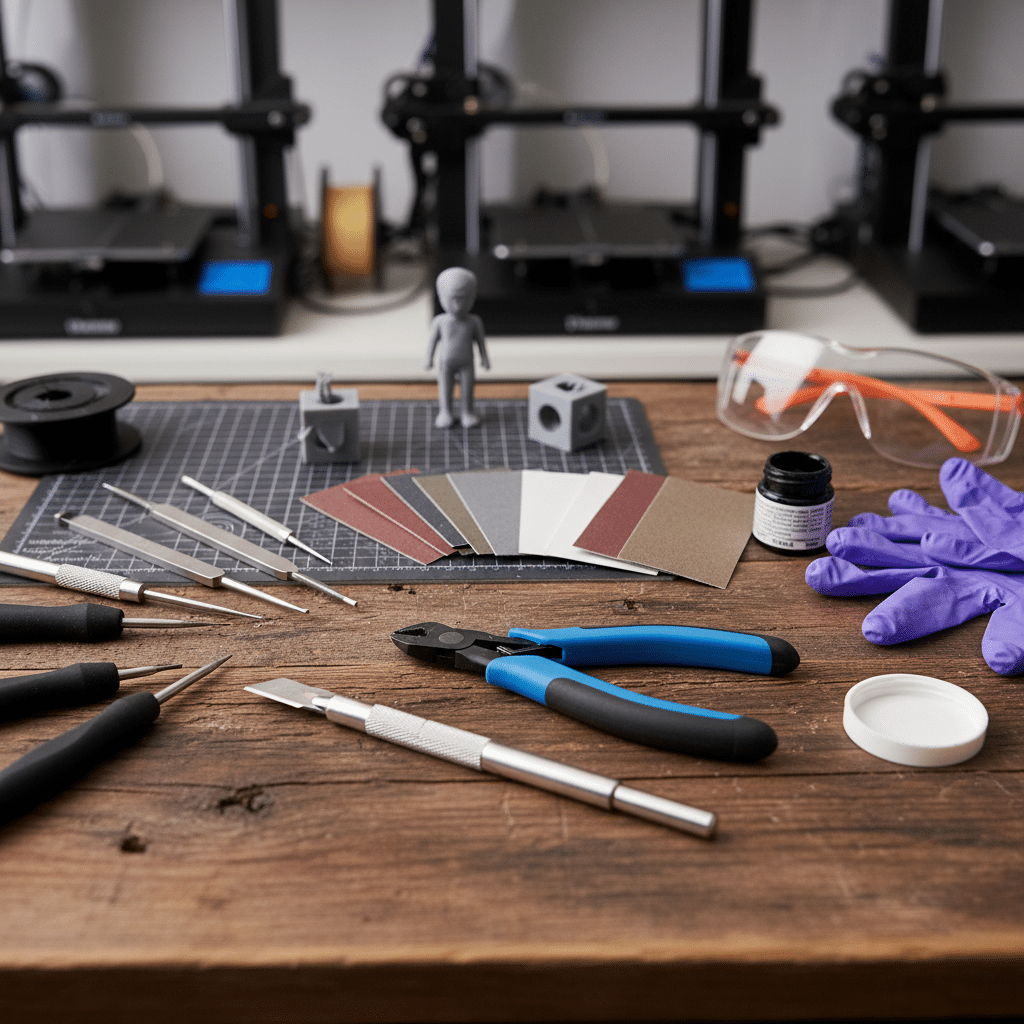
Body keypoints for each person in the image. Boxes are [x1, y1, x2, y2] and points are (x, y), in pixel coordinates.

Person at [426, 267, 490, 428]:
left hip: (467, 363)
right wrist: (429, 359)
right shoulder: (440, 321)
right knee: (445, 389)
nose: (458, 305)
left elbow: (481, 342)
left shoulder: (474, 322)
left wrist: (485, 358)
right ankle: (445, 411)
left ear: (472, 297)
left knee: (467, 389)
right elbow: (432, 342)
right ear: (441, 297)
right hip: (446, 364)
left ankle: (467, 412)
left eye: (464, 299)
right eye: (453, 299)